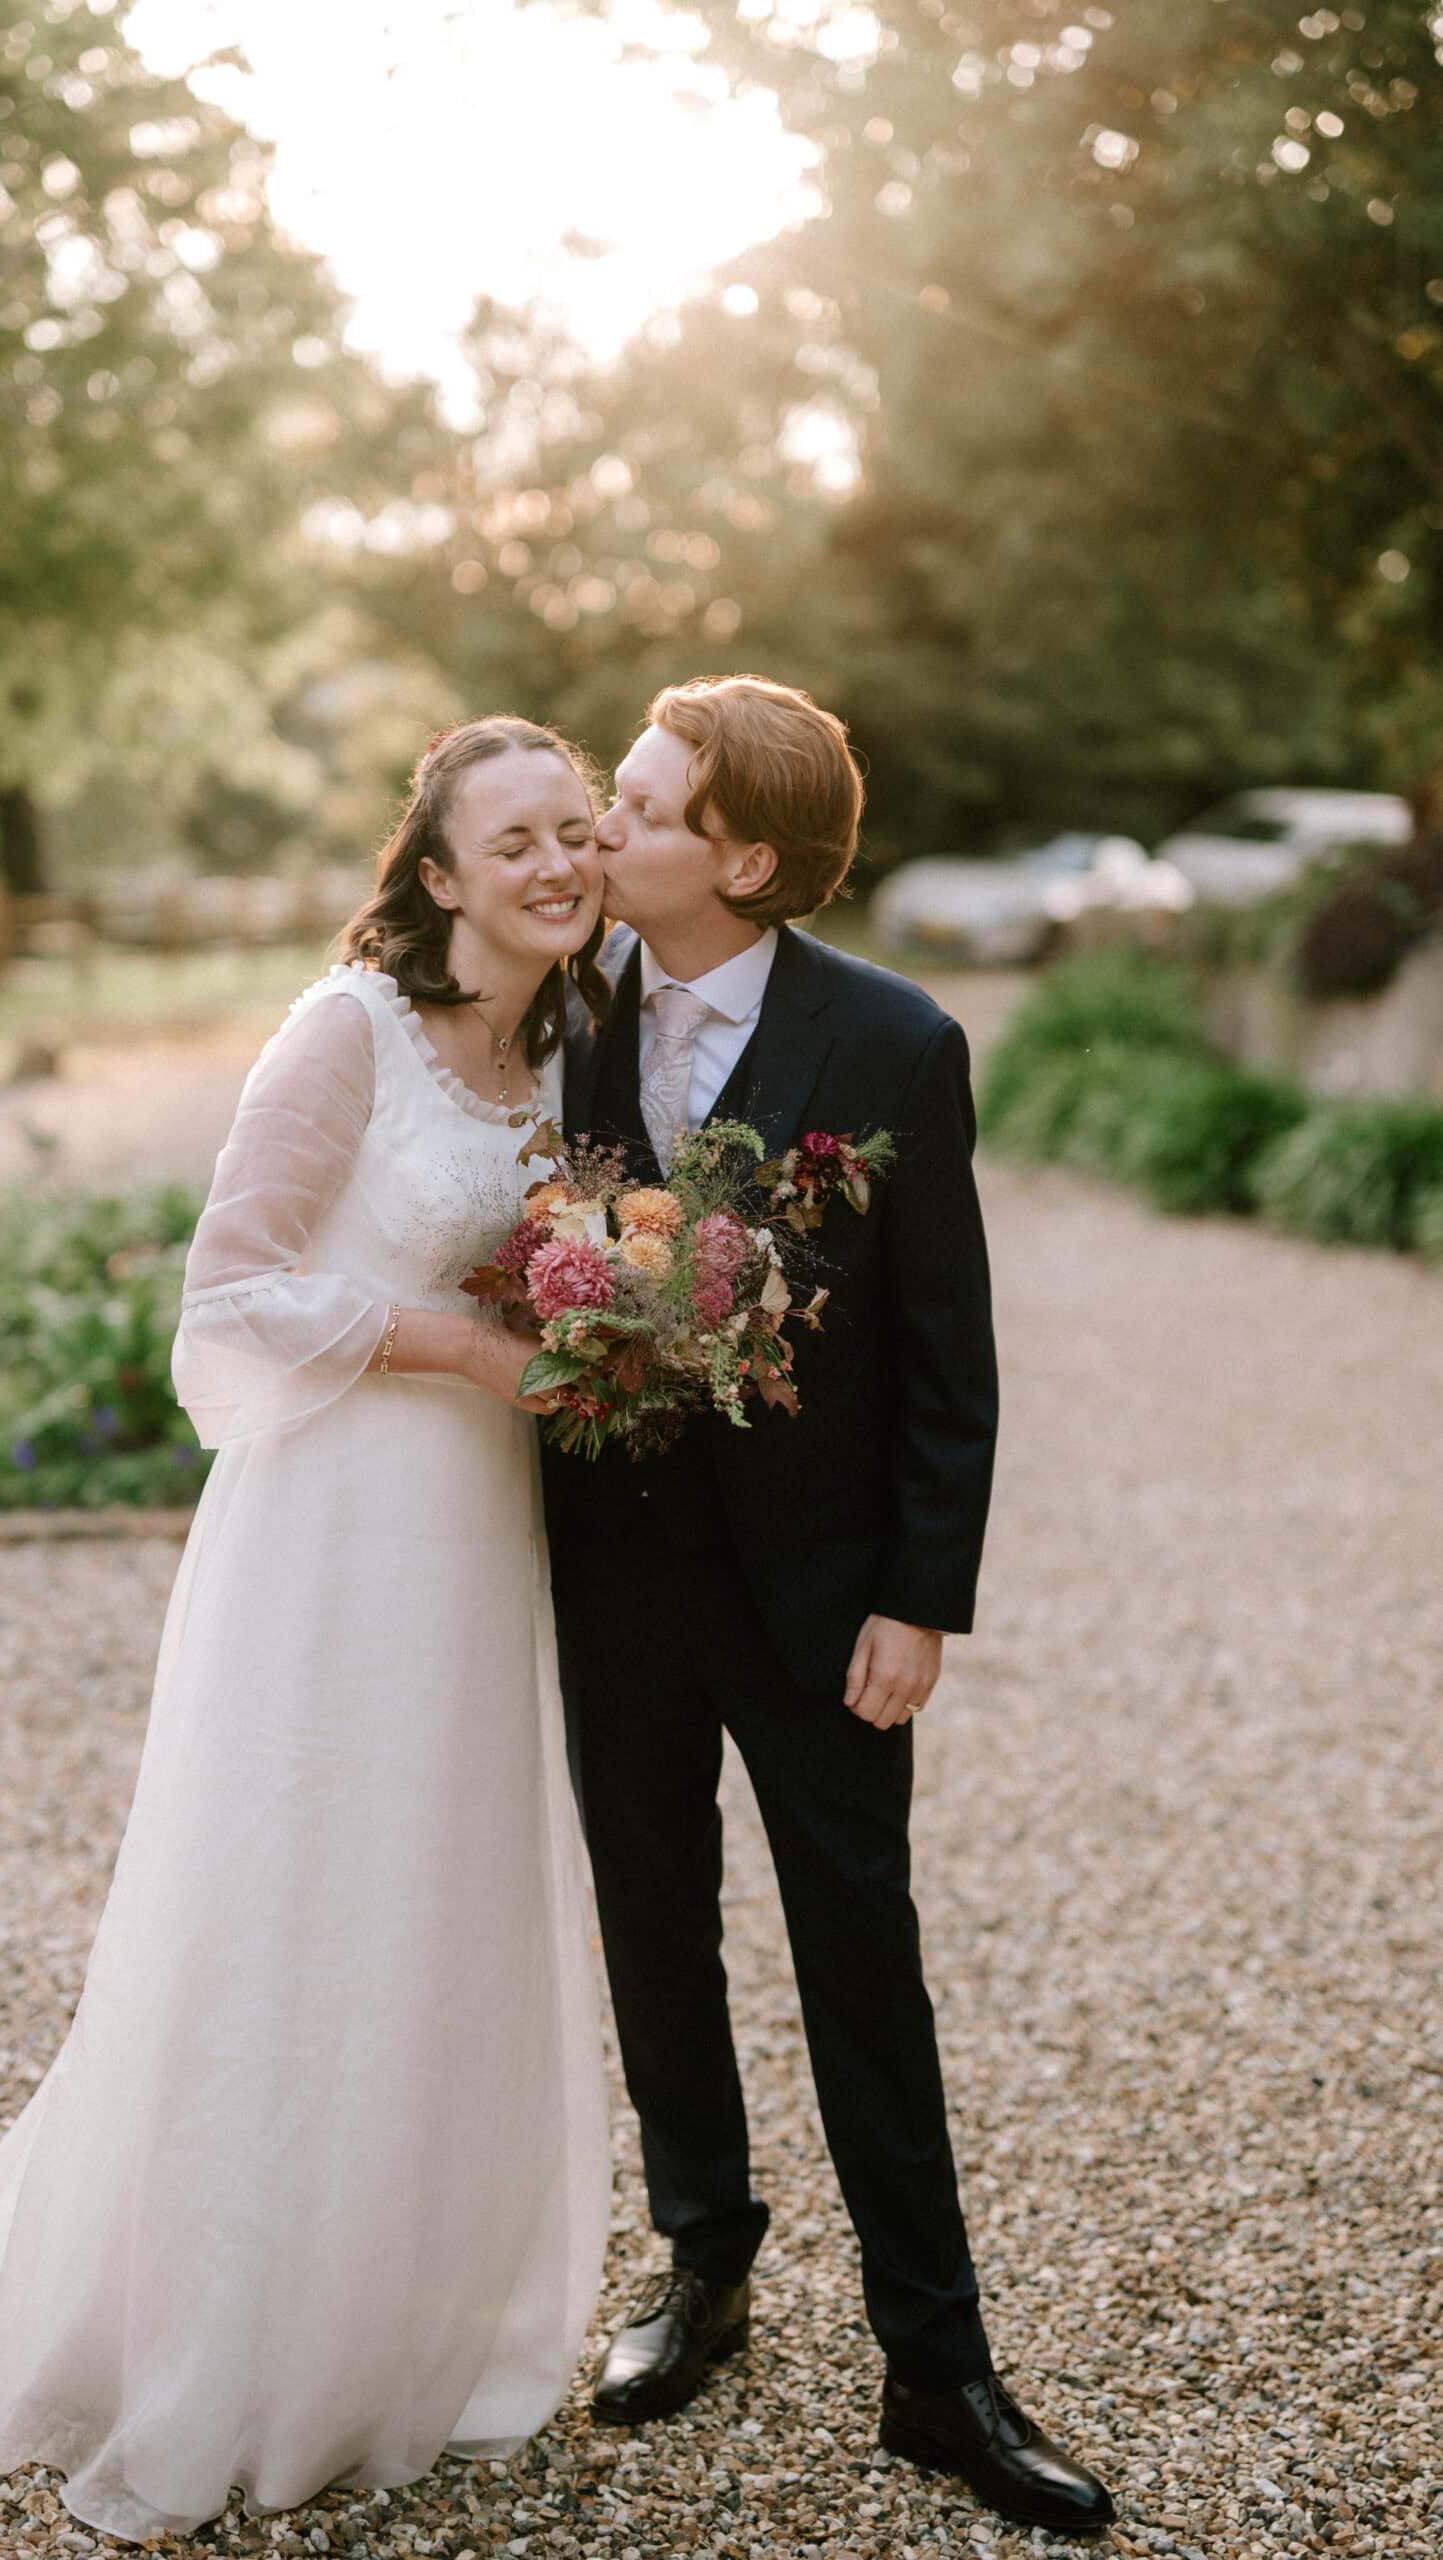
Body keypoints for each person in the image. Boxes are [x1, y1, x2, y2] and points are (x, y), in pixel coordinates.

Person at [0, 719, 614, 2544]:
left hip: (480, 1531)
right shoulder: (346, 1028)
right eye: (514, 838)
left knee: (435, 1885)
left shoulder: (583, 1046)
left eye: (579, 831)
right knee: (300, 1879)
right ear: (438, 875)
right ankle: (235, 2326)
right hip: (341, 1518)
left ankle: (399, 2300)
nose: (559, 863)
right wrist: (459, 1342)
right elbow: (235, 1284)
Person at [542, 676, 1116, 2537]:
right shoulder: (554, 1021)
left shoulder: (894, 1043)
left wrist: (919, 1600)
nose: (596, 831)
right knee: (655, 1924)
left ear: (745, 857)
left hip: (823, 1601)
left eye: (634, 808)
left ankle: (938, 2366)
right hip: (615, 1576)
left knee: (863, 1958)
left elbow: (949, 1355)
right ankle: (703, 2252)